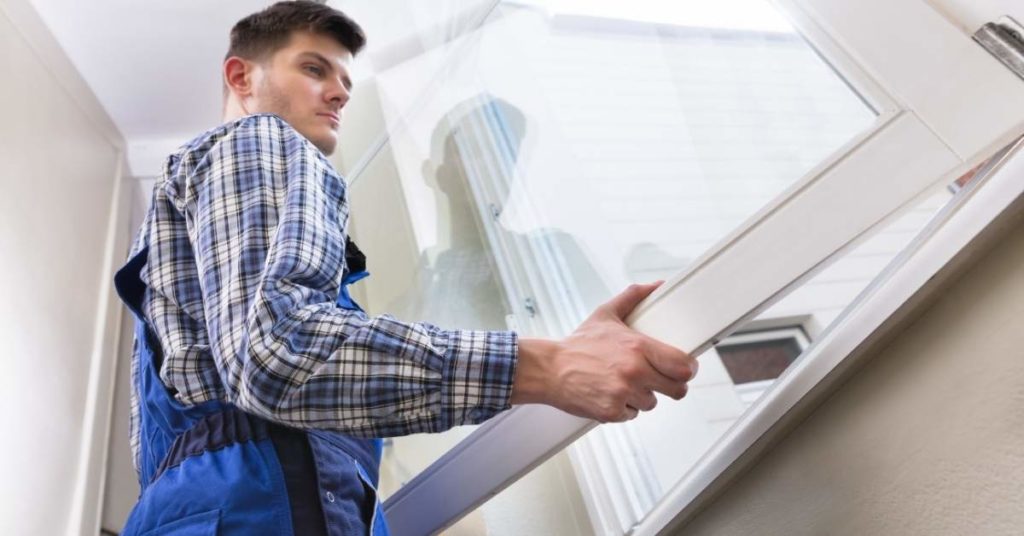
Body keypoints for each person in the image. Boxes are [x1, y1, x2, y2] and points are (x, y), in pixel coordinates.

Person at [112, 2, 698, 534]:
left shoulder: (183, 227)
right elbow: (277, 355)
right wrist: (548, 365)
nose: (340, 93)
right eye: (315, 70)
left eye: (346, 80)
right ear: (242, 77)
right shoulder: (260, 139)